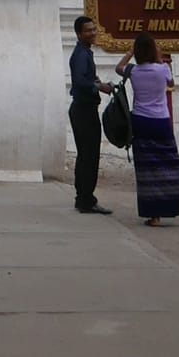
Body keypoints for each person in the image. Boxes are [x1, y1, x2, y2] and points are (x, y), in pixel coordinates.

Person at [121, 32, 179, 228]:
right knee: (171, 165)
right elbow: (171, 83)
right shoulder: (163, 69)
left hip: (141, 122)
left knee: (147, 169)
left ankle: (154, 216)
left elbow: (118, 68)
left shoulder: (133, 71)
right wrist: (158, 58)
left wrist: (129, 53)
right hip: (161, 122)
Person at [68, 15, 113, 215]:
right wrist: (99, 87)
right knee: (89, 156)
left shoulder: (85, 52)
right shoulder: (81, 55)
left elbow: (85, 78)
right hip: (84, 110)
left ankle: (83, 198)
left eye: (94, 29)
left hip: (83, 109)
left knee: (85, 155)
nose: (93, 33)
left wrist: (96, 81)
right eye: (88, 30)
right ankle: (86, 199)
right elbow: (79, 81)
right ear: (79, 34)